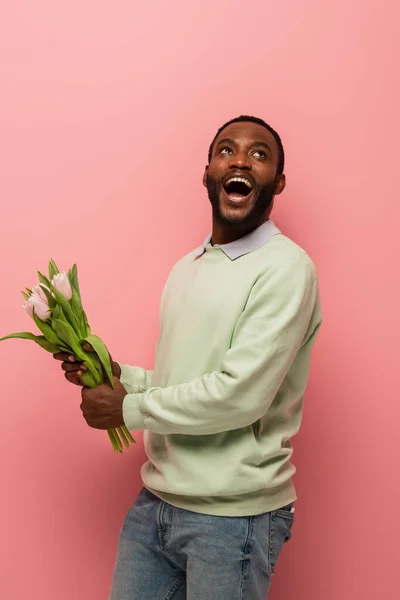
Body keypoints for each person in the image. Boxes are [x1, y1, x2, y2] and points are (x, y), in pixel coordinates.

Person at [54, 115, 322, 600]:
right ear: (207, 173)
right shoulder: (187, 267)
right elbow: (186, 380)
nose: (241, 159)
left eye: (259, 154)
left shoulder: (286, 268)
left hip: (234, 518)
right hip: (157, 501)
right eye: (227, 150)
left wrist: (126, 409)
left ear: (278, 182)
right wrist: (122, 378)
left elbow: (239, 395)